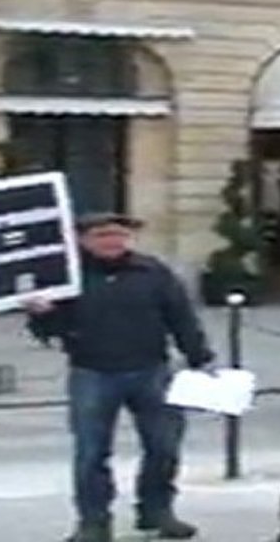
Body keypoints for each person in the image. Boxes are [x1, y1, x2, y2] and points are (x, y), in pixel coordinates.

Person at [26, 212, 215, 542]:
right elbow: (50, 331)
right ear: (84, 241)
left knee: (164, 447)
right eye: (102, 235)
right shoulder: (68, 277)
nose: (112, 241)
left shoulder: (154, 272)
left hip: (151, 369)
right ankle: (93, 523)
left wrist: (199, 357)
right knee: (91, 454)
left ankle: (156, 512)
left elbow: (181, 316)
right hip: (92, 371)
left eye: (119, 235)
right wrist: (41, 315)